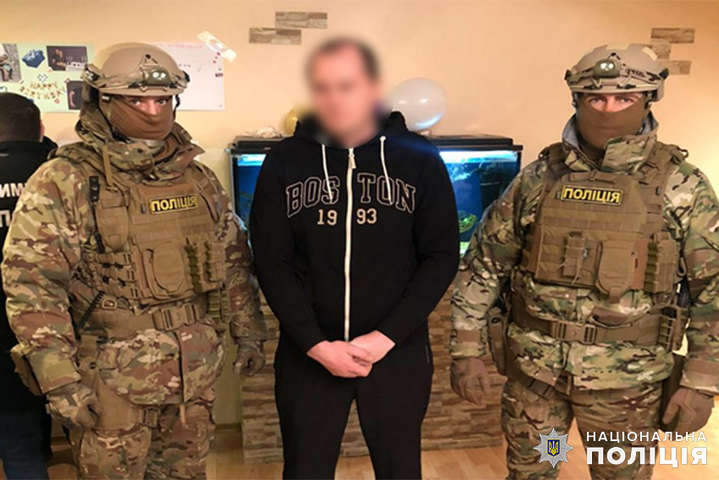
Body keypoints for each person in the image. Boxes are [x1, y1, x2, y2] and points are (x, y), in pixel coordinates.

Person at [451, 43, 718, 479]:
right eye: (595, 98)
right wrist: (466, 352)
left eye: (624, 99)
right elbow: (485, 266)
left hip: (625, 389)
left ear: (648, 100)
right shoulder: (539, 178)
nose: (608, 109)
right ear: (576, 99)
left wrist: (701, 383)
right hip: (538, 381)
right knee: (535, 473)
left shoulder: (681, 186)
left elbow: (713, 291)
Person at [1, 43, 267, 479]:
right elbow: (33, 285)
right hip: (110, 383)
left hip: (192, 375)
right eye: (137, 100)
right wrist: (59, 379)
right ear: (103, 101)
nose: (152, 111)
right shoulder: (66, 179)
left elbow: (232, 259)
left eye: (163, 99)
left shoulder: (196, 178)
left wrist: (249, 332)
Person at [251, 37, 459, 479]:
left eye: (347, 85)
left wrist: (386, 337)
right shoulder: (285, 160)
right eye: (323, 87)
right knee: (305, 469)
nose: (335, 98)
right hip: (309, 353)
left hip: (396, 352)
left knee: (400, 468)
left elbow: (441, 255)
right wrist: (314, 343)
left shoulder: (419, 158)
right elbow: (270, 260)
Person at [0, 93, 54, 480]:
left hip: (4, 337)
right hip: (56, 333)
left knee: (17, 442)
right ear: (40, 129)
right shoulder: (62, 176)